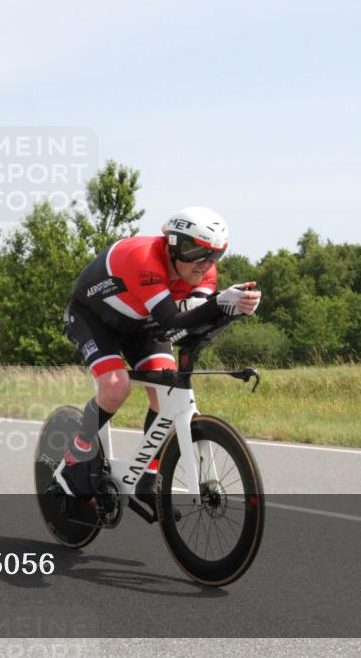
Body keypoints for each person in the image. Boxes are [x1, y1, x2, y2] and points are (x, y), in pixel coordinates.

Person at [57, 206, 262, 502]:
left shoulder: (202, 271)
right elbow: (173, 322)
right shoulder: (146, 259)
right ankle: (76, 455)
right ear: (174, 245)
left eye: (215, 255)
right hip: (94, 319)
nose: (204, 264)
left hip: (142, 323)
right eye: (196, 252)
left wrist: (236, 308)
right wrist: (220, 303)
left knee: (165, 392)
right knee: (115, 387)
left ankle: (149, 475)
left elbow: (195, 318)